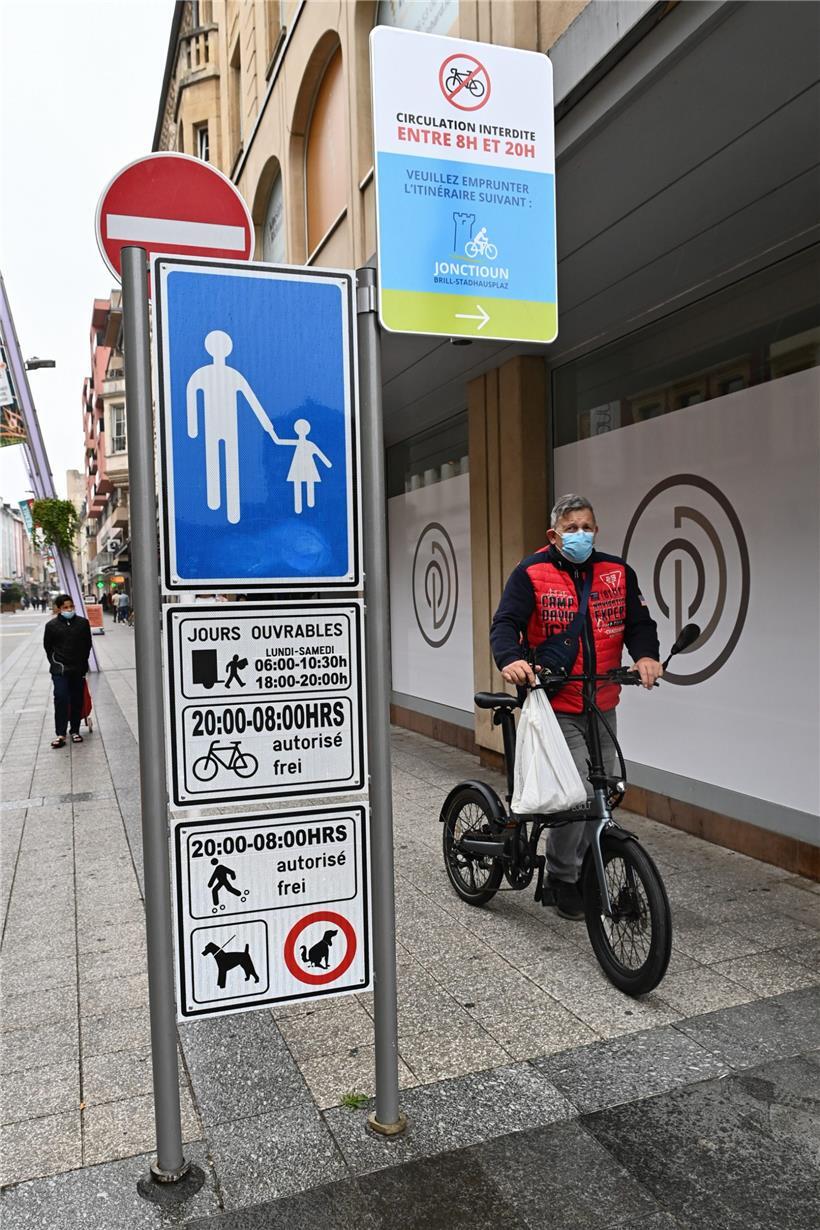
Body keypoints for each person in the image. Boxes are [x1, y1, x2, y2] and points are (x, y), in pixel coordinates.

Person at [490, 493, 662, 921]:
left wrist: (645, 655)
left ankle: (586, 862)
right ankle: (562, 876)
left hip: (602, 701)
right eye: (571, 528)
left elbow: (639, 624)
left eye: (587, 526)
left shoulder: (618, 572)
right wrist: (510, 658)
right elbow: (506, 623)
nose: (581, 534)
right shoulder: (531, 573)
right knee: (579, 796)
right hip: (556, 704)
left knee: (612, 787)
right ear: (554, 534)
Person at [43, 594, 92, 748]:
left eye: (71, 606)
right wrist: (56, 664)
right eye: (65, 607)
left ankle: (75, 730)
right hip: (60, 669)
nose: (69, 609)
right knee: (61, 697)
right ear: (59, 608)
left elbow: (87, 645)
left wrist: (83, 665)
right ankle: (60, 733)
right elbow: (48, 647)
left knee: (77, 699)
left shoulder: (83, 623)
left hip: (78, 668)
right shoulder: (51, 626)